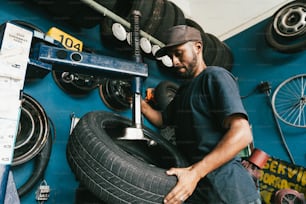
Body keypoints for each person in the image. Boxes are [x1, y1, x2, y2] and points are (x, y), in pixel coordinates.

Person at [141, 25, 261, 204]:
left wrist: (194, 173)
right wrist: (139, 103)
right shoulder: (183, 92)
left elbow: (242, 134)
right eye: (171, 56)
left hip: (231, 190)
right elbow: (162, 120)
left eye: (179, 53)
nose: (174, 61)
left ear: (198, 47)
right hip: (198, 190)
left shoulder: (214, 77)